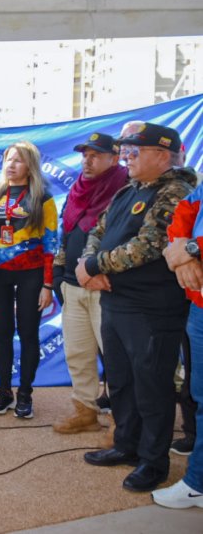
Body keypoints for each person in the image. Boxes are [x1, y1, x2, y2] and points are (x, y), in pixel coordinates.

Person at [79, 122, 195, 493]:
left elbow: (149, 245)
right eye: (125, 151)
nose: (125, 158)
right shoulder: (129, 190)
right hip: (116, 301)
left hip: (152, 307)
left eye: (133, 152)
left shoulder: (176, 191)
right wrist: (87, 268)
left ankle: (153, 461)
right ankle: (126, 445)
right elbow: (97, 231)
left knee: (152, 385)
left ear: (161, 155)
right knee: (121, 381)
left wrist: (95, 267)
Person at [51, 132, 127, 436]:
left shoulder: (125, 188)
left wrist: (105, 271)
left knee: (116, 357)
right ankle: (85, 411)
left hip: (106, 285)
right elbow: (65, 234)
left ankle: (123, 423)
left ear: (114, 157)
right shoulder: (76, 189)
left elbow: (128, 238)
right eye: (85, 154)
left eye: (95, 154)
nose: (88, 160)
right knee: (78, 354)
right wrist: (58, 274)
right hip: (73, 284)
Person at [0, 140, 58, 419]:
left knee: (28, 334)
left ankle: (25, 393)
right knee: (2, 333)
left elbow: (51, 242)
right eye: (8, 160)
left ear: (30, 165)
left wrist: (48, 284)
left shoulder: (43, 197)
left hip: (31, 273)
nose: (11, 165)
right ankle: (4, 392)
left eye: (18, 160)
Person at [153, 171, 203, 507]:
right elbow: (186, 210)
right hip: (200, 301)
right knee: (201, 396)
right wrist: (179, 247)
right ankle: (198, 482)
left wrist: (189, 249)